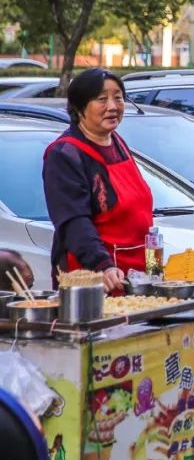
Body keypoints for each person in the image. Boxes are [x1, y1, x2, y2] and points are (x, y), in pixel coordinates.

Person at [42, 68, 153, 293]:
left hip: (134, 274)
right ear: (79, 107)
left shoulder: (118, 143)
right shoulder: (64, 154)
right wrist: (103, 266)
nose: (113, 106)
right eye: (102, 99)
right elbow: (74, 222)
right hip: (92, 278)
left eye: (118, 98)